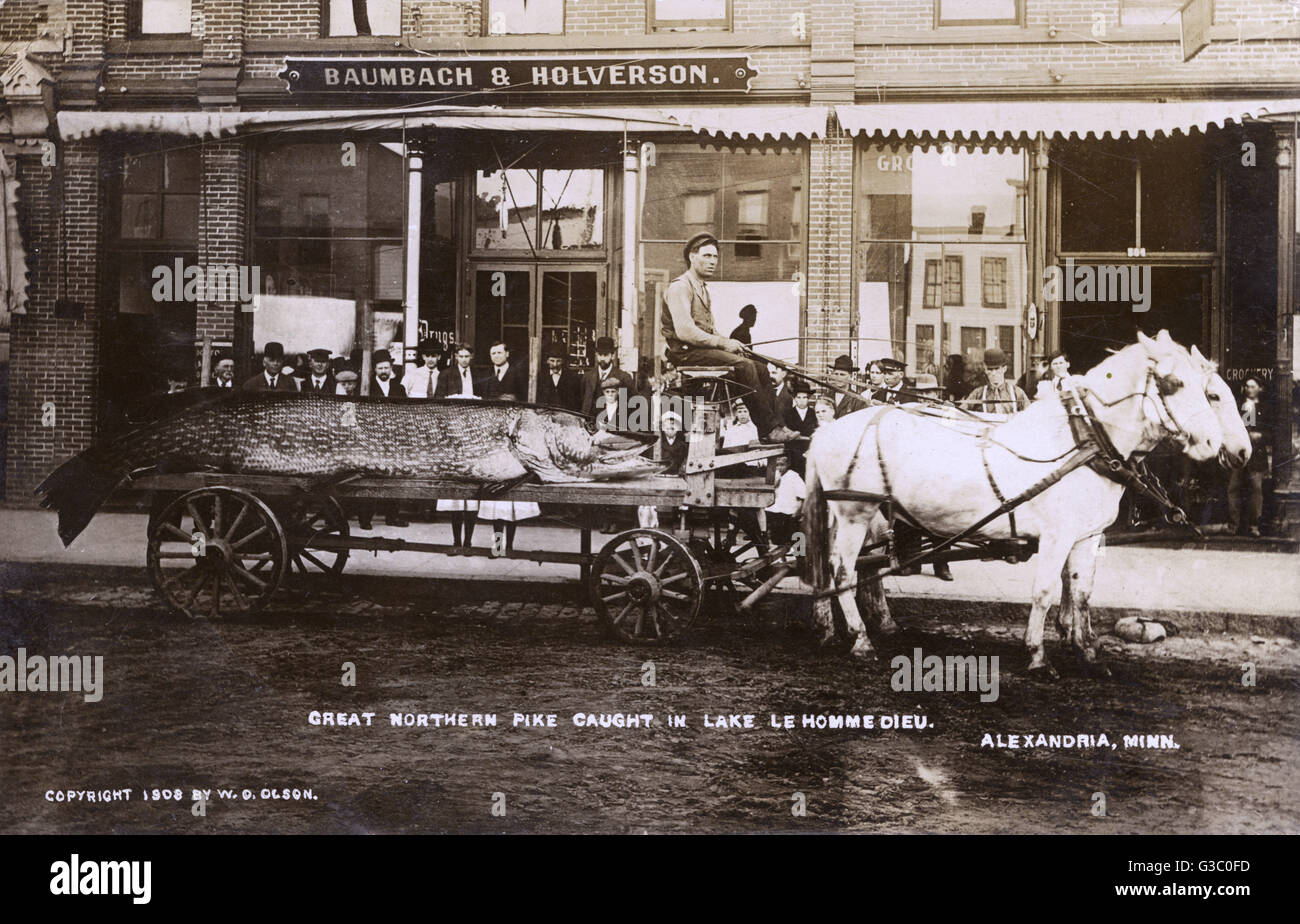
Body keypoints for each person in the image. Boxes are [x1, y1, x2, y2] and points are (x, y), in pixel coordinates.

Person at [661, 232, 800, 442]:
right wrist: (723, 343)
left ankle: (778, 427)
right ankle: (768, 429)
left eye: (715, 257)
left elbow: (710, 330)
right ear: (691, 256)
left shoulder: (702, 289)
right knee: (745, 367)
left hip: (701, 351)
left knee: (760, 367)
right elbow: (685, 331)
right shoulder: (680, 286)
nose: (713, 262)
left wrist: (731, 344)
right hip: (686, 353)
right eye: (707, 256)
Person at [477, 391, 541, 554]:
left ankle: (510, 547)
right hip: (498, 474)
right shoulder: (492, 424)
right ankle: (498, 547)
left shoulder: (521, 424)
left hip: (515, 475)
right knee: (498, 515)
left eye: (510, 405)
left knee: (513, 514)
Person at [1227, 377, 1269, 537]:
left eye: (1253, 386)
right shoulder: (1236, 407)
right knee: (1233, 487)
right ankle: (1233, 525)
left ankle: (1254, 526)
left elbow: (1273, 431)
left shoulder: (1265, 408)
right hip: (1237, 453)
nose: (1249, 389)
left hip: (1256, 455)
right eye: (1247, 386)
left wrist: (1261, 435)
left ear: (1259, 389)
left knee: (1256, 489)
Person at [961, 347, 1029, 414]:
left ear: (1004, 369)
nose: (993, 373)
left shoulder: (1017, 393)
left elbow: (1031, 415)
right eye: (990, 369)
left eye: (997, 369)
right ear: (985, 370)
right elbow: (960, 413)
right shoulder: (978, 393)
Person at [581, 336, 635, 417]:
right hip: (590, 424)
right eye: (600, 354)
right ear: (596, 354)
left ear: (612, 356)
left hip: (612, 425)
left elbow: (631, 404)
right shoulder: (587, 377)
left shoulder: (623, 378)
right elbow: (582, 400)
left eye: (605, 355)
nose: (602, 358)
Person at [764, 454, 806, 545]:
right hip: (776, 510)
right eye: (777, 465)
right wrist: (776, 481)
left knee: (796, 536)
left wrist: (799, 510)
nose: (779, 467)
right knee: (777, 538)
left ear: (788, 465)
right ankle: (782, 558)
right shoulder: (774, 476)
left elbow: (802, 495)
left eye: (782, 465)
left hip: (789, 511)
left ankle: (800, 557)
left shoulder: (793, 476)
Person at [536, 345, 583, 412]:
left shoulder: (572, 377)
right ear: (547, 361)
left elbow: (577, 402)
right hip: (546, 417)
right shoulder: (541, 376)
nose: (555, 364)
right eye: (552, 361)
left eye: (558, 361)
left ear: (563, 361)